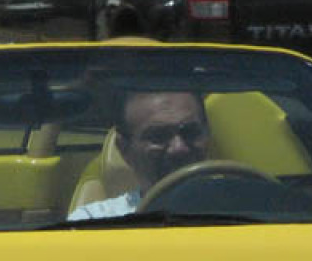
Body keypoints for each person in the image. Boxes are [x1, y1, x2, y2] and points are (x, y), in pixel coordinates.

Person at [69, 90, 210, 221]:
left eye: (190, 132)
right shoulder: (94, 223)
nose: (179, 148)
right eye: (158, 136)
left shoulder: (231, 206)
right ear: (124, 148)